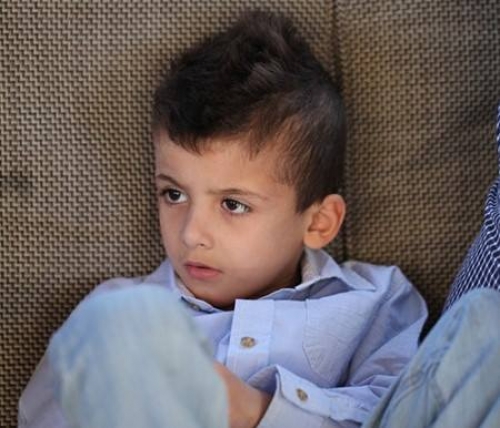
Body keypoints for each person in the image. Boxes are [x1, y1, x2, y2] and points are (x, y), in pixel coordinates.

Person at [18, 11, 428, 428]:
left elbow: (405, 416)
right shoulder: (118, 318)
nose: (191, 233)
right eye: (174, 195)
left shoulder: (378, 301)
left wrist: (257, 411)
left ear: (318, 222)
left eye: (233, 204)